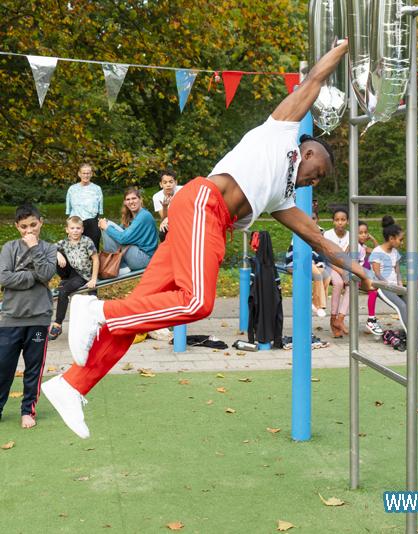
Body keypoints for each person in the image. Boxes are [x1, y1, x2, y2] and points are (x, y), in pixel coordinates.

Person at [42, 40, 372, 439]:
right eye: (317, 170)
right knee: (197, 301)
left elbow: (319, 239)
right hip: (203, 204)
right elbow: (315, 80)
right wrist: (346, 47)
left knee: (140, 312)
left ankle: (71, 384)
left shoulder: (281, 197)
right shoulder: (280, 132)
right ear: (307, 150)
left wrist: (356, 268)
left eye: (318, 182)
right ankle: (95, 312)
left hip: (204, 223)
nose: (315, 180)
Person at [0, 204, 57, 429]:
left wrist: (34, 249)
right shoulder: (9, 247)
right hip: (10, 318)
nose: (29, 231)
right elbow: (4, 278)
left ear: (40, 222)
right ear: (17, 227)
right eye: (24, 227)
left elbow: (46, 273)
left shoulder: (49, 249)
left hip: (38, 318)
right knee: (3, 366)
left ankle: (27, 410)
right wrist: (33, 276)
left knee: (33, 367)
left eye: (33, 225)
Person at [370, 216, 418, 354]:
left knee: (415, 304)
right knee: (402, 306)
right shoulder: (377, 252)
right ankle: (414, 339)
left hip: (396, 287)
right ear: (391, 238)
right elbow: (377, 274)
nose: (402, 242)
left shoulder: (395, 252)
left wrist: (400, 285)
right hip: (383, 287)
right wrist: (389, 285)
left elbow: (397, 271)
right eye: (400, 239)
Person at [49, 217, 99, 341]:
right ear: (67, 230)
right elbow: (48, 247)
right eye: (72, 228)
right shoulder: (64, 242)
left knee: (63, 291)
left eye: (78, 228)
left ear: (82, 230)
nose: (75, 231)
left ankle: (57, 324)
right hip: (70, 272)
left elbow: (96, 259)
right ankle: (64, 280)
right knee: (54, 255)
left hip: (83, 276)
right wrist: (58, 253)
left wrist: (93, 279)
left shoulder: (87, 241)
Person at [98, 187, 159, 273]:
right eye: (128, 199)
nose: (131, 202)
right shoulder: (132, 217)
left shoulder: (144, 216)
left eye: (134, 198)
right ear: (125, 202)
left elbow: (123, 238)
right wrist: (105, 226)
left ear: (140, 199)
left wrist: (106, 227)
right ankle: (114, 263)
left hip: (144, 258)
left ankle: (119, 265)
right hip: (136, 255)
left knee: (108, 226)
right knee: (108, 226)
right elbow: (118, 232)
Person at [285, 211, 330, 317]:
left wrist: (320, 264)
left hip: (312, 263)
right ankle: (317, 304)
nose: (311, 221)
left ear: (317, 219)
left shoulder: (321, 232)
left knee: (326, 276)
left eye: (314, 218)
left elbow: (320, 252)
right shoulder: (300, 231)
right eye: (309, 218)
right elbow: (298, 253)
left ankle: (320, 304)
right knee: (318, 275)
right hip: (296, 262)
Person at [323, 208, 350, 337]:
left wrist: (345, 271)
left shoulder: (351, 235)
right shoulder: (327, 235)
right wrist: (341, 272)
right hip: (330, 266)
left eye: (343, 220)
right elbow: (328, 258)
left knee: (352, 285)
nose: (340, 222)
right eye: (337, 220)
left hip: (346, 267)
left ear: (348, 221)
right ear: (333, 221)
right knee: (338, 283)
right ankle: (333, 318)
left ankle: (340, 319)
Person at [66, 163, 104, 250]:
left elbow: (100, 209)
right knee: (74, 250)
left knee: (93, 249)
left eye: (88, 173)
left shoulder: (97, 189)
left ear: (91, 174)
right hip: (75, 223)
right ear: (79, 174)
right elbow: (69, 209)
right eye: (84, 173)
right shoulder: (72, 189)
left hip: (92, 222)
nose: (86, 175)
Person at [358, 220, 382, 335]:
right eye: (360, 232)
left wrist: (373, 239)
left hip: (365, 275)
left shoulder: (363, 246)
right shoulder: (355, 246)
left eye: (365, 232)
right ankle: (371, 319)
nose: (363, 235)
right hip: (357, 277)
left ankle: (372, 318)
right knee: (373, 288)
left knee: (377, 286)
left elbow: (379, 252)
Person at [152, 168, 182, 242]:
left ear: (176, 182)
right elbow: (163, 217)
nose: (168, 185)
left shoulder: (182, 190)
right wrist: (165, 207)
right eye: (165, 182)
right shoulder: (157, 196)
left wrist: (168, 218)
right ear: (161, 184)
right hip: (169, 220)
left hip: (183, 218)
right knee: (163, 230)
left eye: (171, 182)